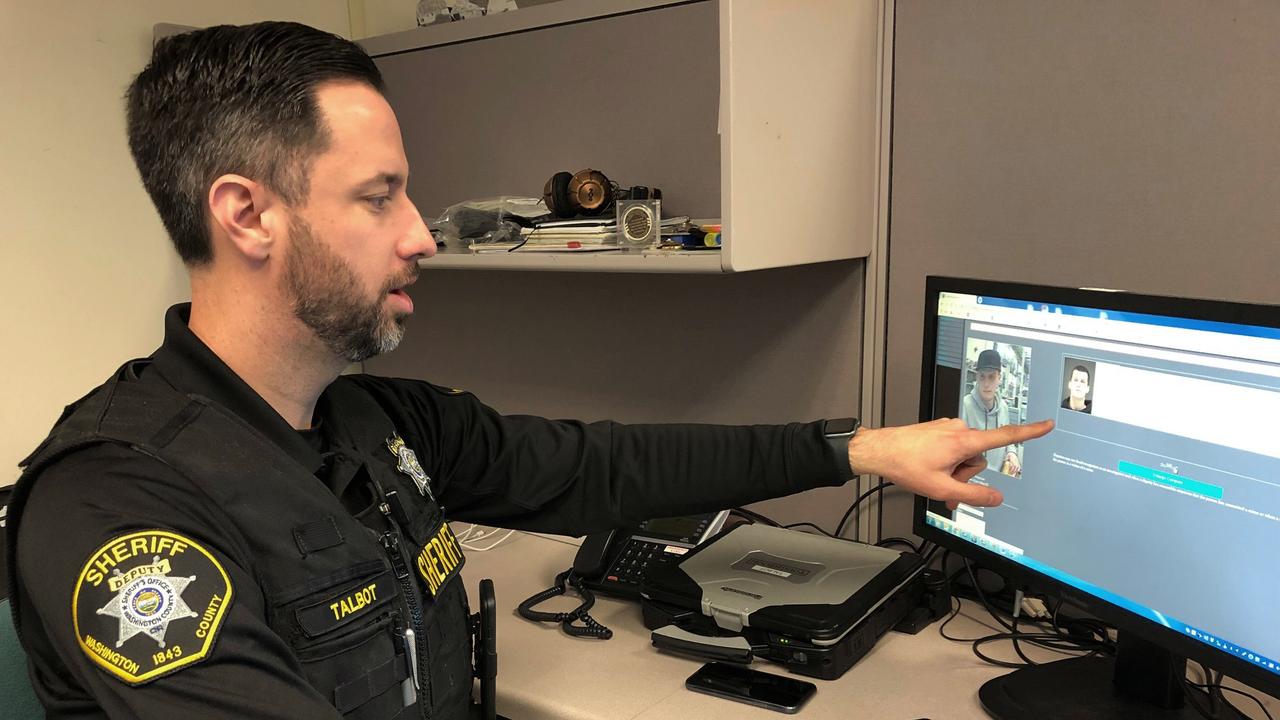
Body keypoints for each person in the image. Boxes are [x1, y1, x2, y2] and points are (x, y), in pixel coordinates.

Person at [6, 22, 1053, 719]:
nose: (420, 235)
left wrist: (857, 448)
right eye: (379, 197)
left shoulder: (370, 423)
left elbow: (597, 469)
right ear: (247, 215)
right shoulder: (117, 505)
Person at [960, 348, 1023, 477]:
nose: (986, 384)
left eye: (991, 377)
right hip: (973, 480)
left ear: (999, 378)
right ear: (977, 377)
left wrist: (1012, 453)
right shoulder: (965, 406)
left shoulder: (1004, 408)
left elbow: (1008, 439)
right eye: (982, 377)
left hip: (997, 478)